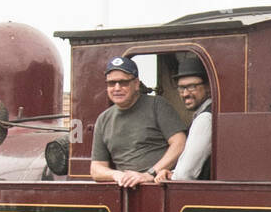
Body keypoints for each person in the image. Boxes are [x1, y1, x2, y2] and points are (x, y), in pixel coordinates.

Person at [90, 56, 186, 187]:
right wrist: (117, 175)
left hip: (161, 187)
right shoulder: (103, 119)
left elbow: (179, 143)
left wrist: (149, 174)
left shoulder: (157, 105)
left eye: (123, 82)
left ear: (136, 84)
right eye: (111, 83)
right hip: (126, 188)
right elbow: (96, 168)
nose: (117, 88)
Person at [171, 55, 212, 180]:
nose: (185, 94)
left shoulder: (205, 118)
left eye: (192, 87)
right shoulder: (204, 114)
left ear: (208, 87)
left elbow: (185, 174)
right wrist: (172, 172)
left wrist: (171, 177)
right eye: (181, 88)